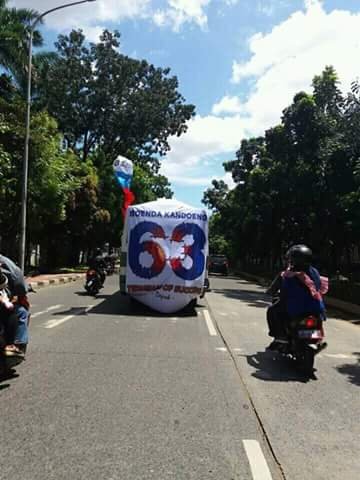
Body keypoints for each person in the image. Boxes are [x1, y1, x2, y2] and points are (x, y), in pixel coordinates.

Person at [266, 244, 328, 350]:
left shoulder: (287, 274)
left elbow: (274, 290)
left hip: (294, 307)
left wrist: (270, 292)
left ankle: (281, 337)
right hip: (315, 307)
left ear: (293, 260)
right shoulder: (314, 272)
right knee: (318, 317)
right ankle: (317, 338)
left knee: (271, 310)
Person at [0, 254, 30, 356]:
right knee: (22, 312)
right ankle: (17, 344)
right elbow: (19, 281)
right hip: (4, 304)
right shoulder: (6, 263)